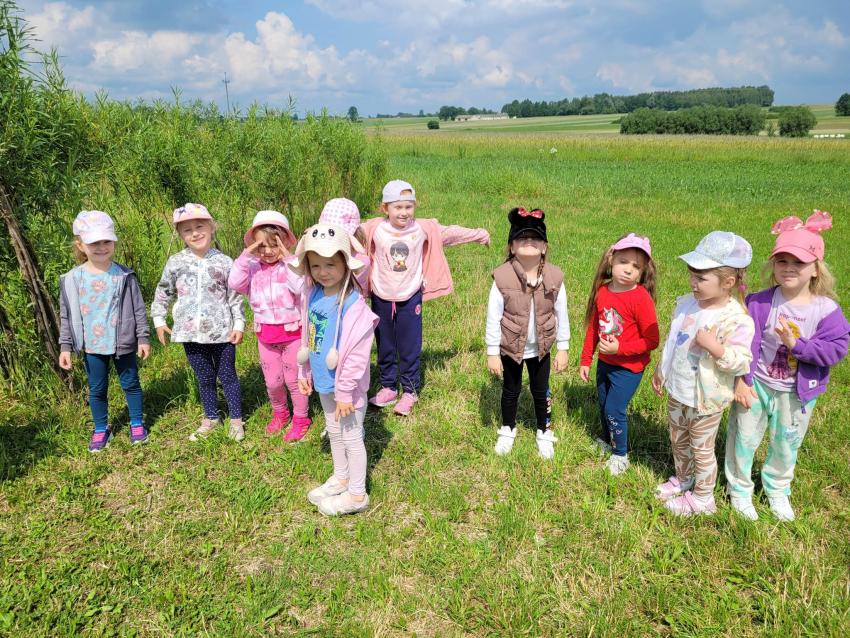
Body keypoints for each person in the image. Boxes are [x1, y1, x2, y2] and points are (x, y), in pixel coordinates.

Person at [725, 211, 848, 521]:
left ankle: (777, 490)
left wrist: (798, 346)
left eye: (799, 262)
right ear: (773, 265)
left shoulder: (826, 310)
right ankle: (739, 489)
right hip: (756, 384)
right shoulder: (760, 302)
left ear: (816, 269)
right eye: (782, 261)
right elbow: (744, 341)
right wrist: (742, 379)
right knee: (742, 438)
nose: (789, 267)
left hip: (796, 393)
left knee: (785, 445)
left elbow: (836, 349)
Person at [361, 179, 490, 416]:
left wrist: (478, 234)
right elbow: (346, 231)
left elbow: (450, 233)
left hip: (410, 297)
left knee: (409, 346)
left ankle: (410, 391)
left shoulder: (422, 229)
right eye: (398, 207)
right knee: (385, 344)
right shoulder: (374, 229)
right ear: (385, 208)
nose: (404, 212)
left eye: (408, 207)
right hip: (381, 296)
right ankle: (388, 387)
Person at [652, 231, 755, 516]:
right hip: (679, 389)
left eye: (701, 278)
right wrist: (662, 369)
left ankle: (703, 498)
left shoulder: (736, 319)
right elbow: (674, 340)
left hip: (705, 400)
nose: (693, 282)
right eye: (692, 275)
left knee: (702, 448)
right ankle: (684, 478)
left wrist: (715, 348)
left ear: (728, 282)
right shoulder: (687, 303)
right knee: (678, 439)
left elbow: (741, 362)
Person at [291, 223, 379, 515]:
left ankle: (357, 495)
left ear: (346, 264)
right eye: (315, 265)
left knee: (352, 437)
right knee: (333, 431)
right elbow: (309, 338)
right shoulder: (312, 295)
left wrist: (345, 392)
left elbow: (356, 357)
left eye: (330, 264)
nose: (323, 271)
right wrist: (304, 373)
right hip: (324, 381)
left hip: (347, 390)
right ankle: (341, 477)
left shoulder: (355, 308)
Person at [151, 203, 246, 441]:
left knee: (227, 374)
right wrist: (159, 319)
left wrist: (239, 324)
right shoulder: (176, 262)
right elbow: (163, 291)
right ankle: (211, 418)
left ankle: (236, 420)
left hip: (222, 332)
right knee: (204, 377)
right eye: (187, 230)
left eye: (200, 227)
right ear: (180, 234)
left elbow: (235, 296)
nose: (195, 233)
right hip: (189, 333)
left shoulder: (225, 262)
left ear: (211, 228)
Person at [58, 210, 150, 452]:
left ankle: (137, 423)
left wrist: (143, 337)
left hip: (123, 343)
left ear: (114, 242)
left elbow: (139, 308)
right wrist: (65, 347)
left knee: (131, 383)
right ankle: (100, 428)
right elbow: (66, 316)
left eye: (106, 241)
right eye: (94, 243)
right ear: (80, 245)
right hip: (92, 346)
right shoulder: (72, 279)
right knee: (97, 389)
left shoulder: (124, 275)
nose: (101, 247)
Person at [485, 207, 568, 459]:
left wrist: (563, 347)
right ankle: (507, 429)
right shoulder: (502, 277)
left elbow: (561, 313)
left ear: (544, 247)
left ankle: (544, 431)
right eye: (521, 237)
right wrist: (492, 352)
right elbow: (493, 317)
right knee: (511, 390)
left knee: (541, 391)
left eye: (535, 238)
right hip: (511, 347)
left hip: (541, 348)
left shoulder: (555, 277)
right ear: (511, 247)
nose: (528, 241)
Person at [228, 210, 312, 441]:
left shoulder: (292, 266)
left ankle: (301, 418)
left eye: (274, 245)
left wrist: (289, 259)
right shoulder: (252, 268)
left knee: (294, 380)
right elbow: (234, 283)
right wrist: (246, 256)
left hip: (293, 335)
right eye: (261, 246)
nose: (267, 251)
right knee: (273, 382)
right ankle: (280, 413)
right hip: (265, 336)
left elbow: (301, 287)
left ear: (285, 243)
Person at [579, 233, 659, 475]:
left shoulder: (641, 298)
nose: (628, 270)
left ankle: (620, 455)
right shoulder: (603, 291)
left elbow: (652, 340)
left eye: (636, 266)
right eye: (623, 262)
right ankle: (607, 441)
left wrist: (620, 349)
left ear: (643, 272)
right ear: (611, 259)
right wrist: (586, 359)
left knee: (614, 409)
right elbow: (593, 327)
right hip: (605, 362)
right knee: (604, 405)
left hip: (629, 368)